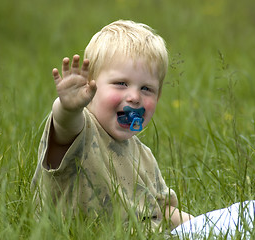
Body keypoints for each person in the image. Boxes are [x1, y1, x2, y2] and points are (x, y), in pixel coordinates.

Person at [31, 19, 193, 232]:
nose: (135, 97)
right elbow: (64, 126)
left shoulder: (143, 156)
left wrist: (203, 224)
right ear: (90, 86)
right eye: (121, 83)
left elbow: (162, 211)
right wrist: (68, 107)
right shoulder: (83, 131)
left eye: (146, 88)